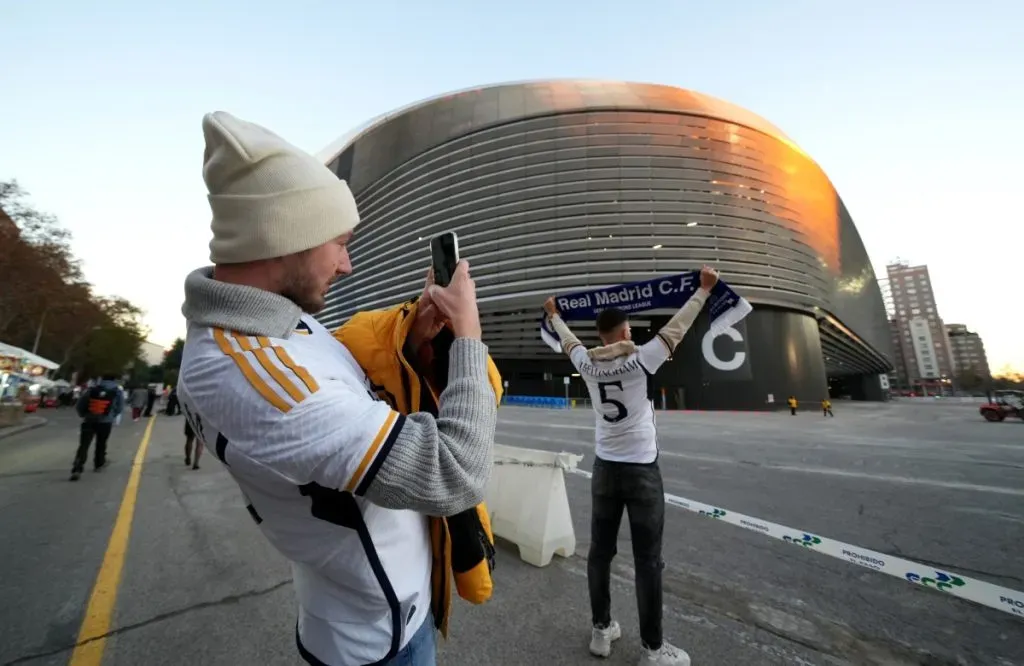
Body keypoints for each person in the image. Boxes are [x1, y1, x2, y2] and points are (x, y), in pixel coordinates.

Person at [176, 111, 497, 666]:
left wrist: (415, 338)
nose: (347, 265)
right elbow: (454, 474)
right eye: (340, 243)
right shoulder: (252, 378)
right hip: (374, 644)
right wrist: (469, 336)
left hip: (379, 607)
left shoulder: (272, 324)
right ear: (284, 238)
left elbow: (340, 379)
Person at [542, 265, 720, 666]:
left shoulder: (587, 363)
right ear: (625, 332)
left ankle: (601, 630)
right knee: (648, 561)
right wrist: (704, 291)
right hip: (641, 470)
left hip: (605, 469)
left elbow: (568, 341)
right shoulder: (642, 360)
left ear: (601, 336)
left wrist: (553, 315)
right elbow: (676, 328)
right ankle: (653, 650)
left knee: (599, 554)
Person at [70, 374, 124, 481]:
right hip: (105, 422)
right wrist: (111, 416)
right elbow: (120, 407)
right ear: (114, 380)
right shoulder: (117, 391)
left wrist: (84, 415)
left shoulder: (92, 389)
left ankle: (77, 467)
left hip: (89, 420)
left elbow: (80, 404)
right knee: (101, 443)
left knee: (84, 445)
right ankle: (99, 464)